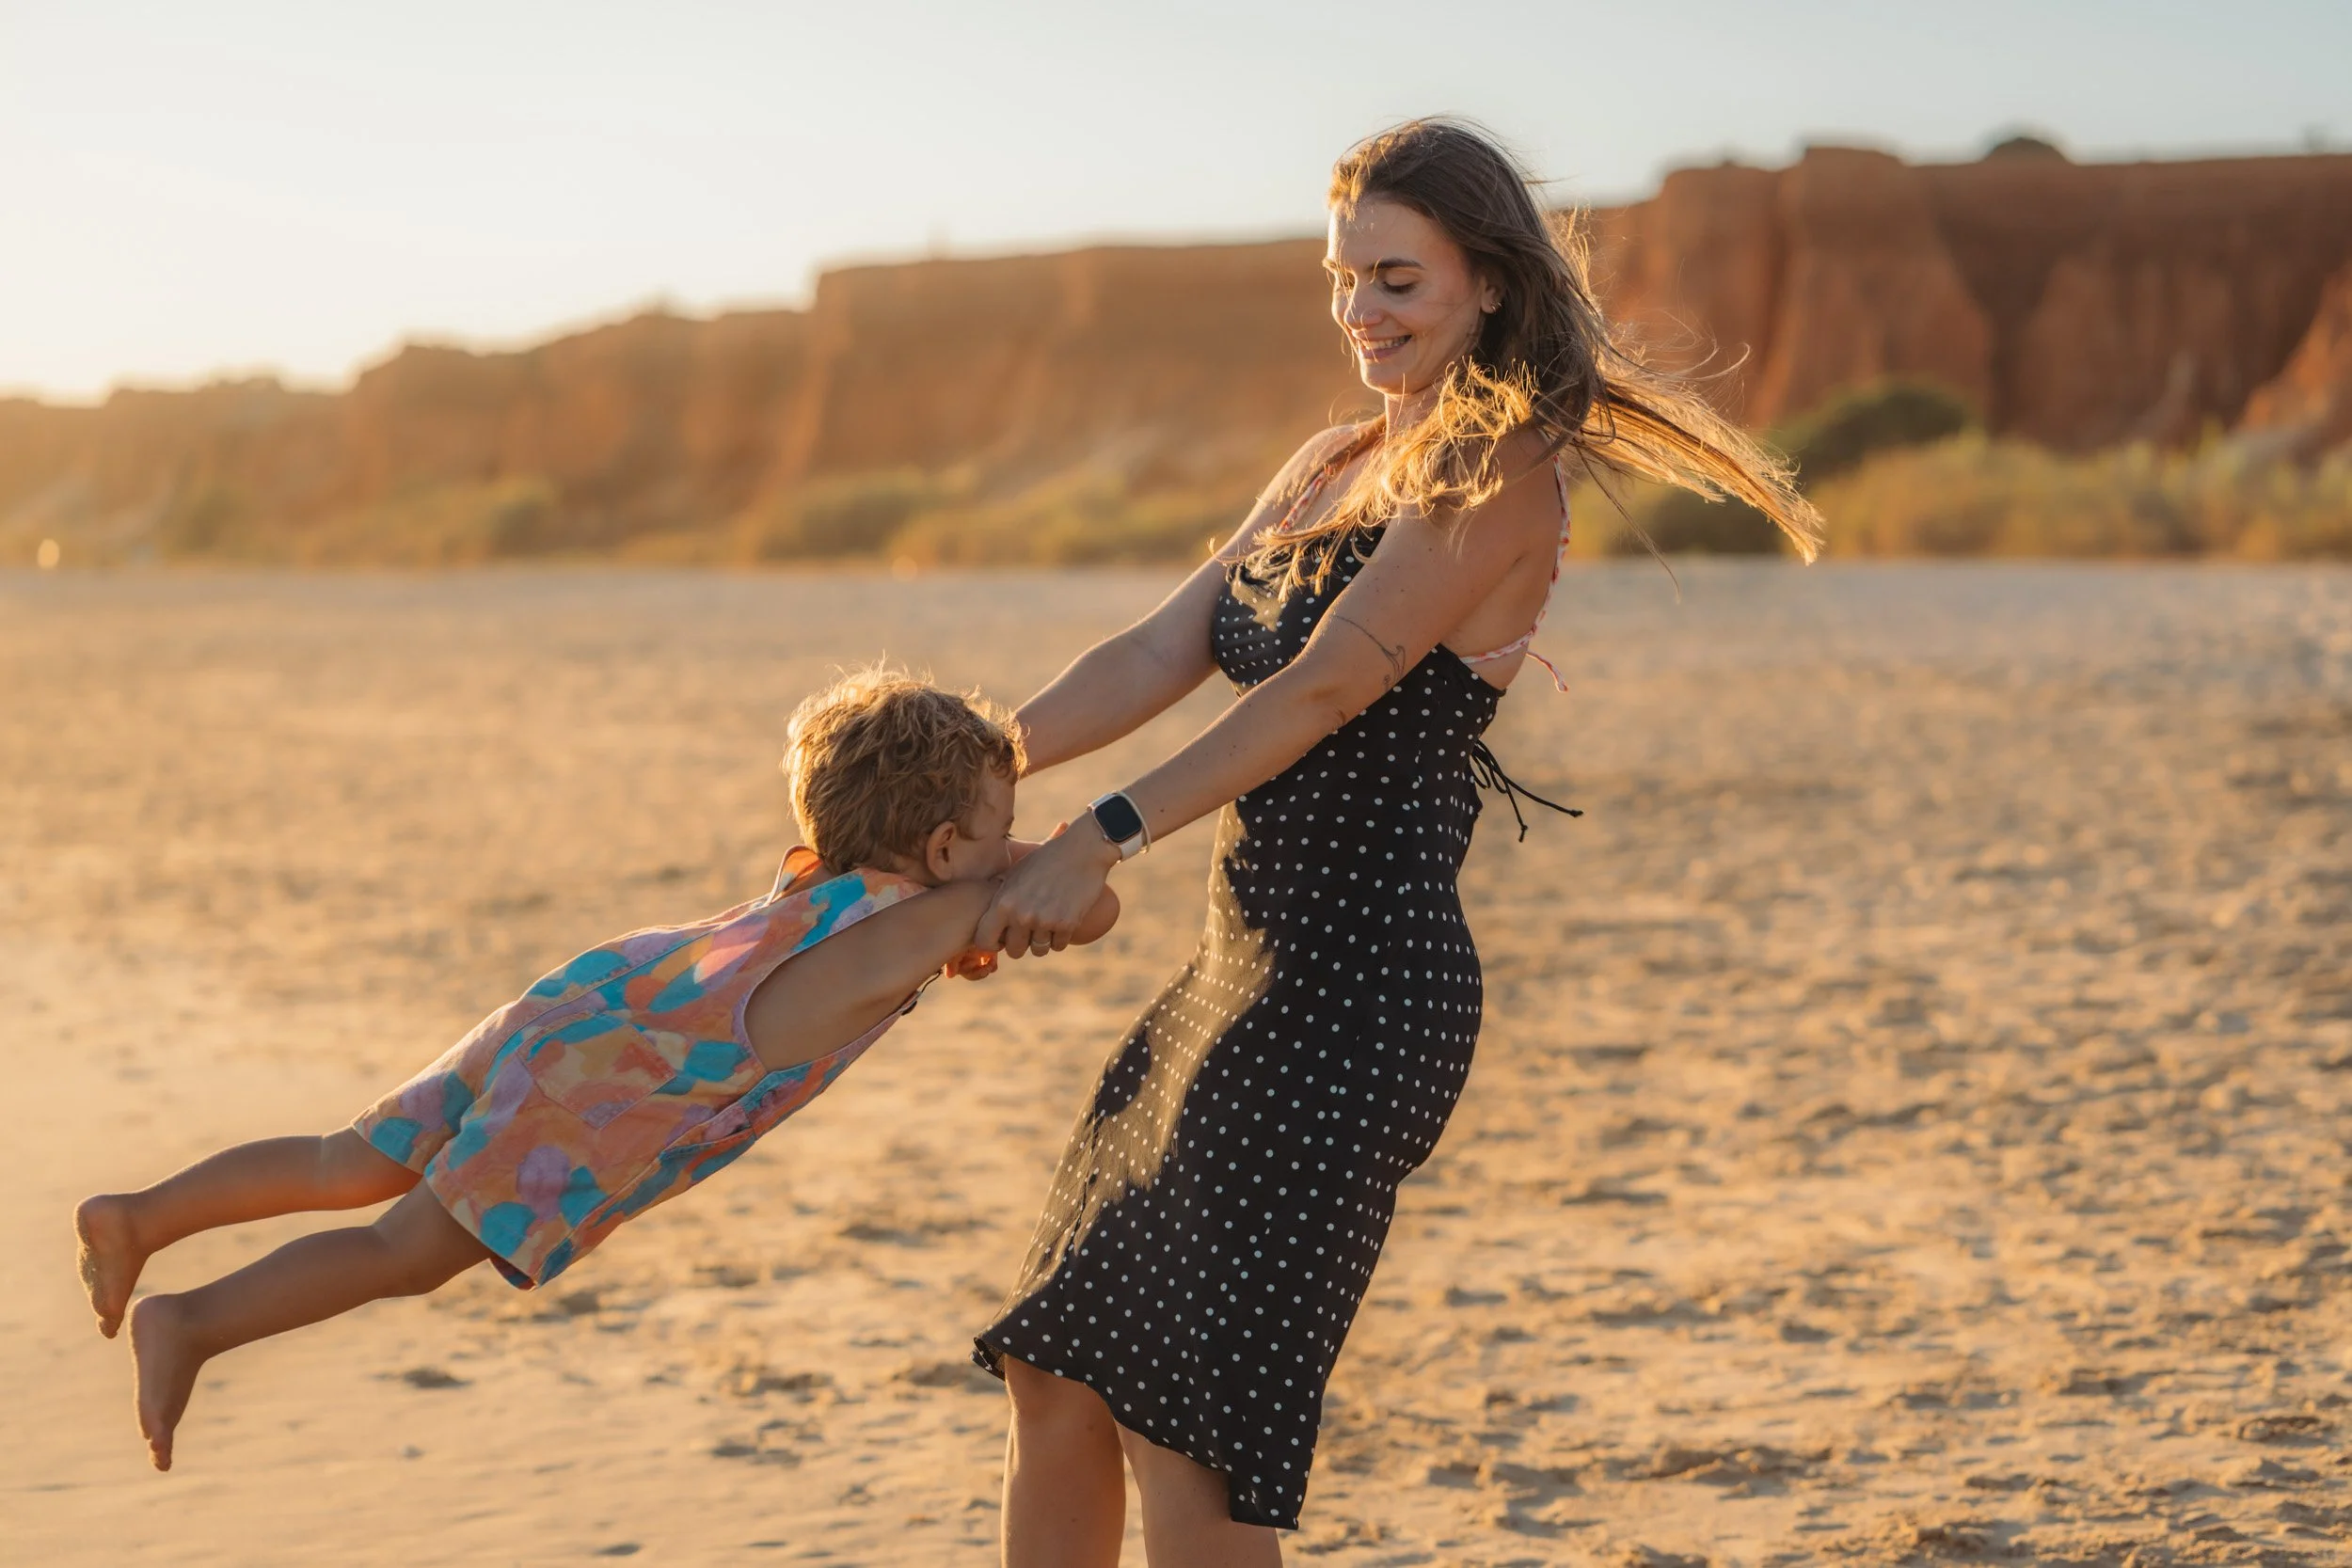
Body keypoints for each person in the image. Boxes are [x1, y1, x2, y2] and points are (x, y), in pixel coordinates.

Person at [968, 119, 1823, 1565]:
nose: (1358, 311)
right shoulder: (1329, 461)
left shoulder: (1498, 471)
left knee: (1192, 1431)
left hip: (1356, 990)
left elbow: (1328, 683)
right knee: (1060, 1366)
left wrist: (1098, 835)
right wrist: (971, 771)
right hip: (1237, 969)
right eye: (1342, 277)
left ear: (1488, 284)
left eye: (1395, 281)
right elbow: (1159, 645)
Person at [72, 670, 1116, 1473]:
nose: (1015, 845)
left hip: (596, 996)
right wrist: (1061, 857)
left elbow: (1015, 876)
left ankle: (141, 1214)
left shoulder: (830, 884)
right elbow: (1090, 901)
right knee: (403, 1248)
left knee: (347, 1155)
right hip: (598, 1089)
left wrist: (1004, 843)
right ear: (940, 847)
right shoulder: (925, 916)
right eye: (999, 827)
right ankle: (193, 1320)